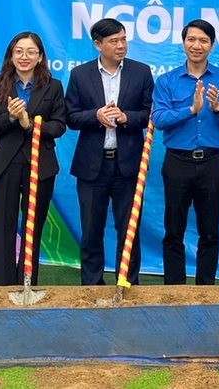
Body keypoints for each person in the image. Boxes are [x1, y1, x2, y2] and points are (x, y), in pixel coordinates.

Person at [151, 19, 219, 285]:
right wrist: (190, 110)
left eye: (203, 40)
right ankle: (175, 290)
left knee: (210, 232)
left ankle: (206, 290)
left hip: (211, 163)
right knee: (173, 230)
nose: (197, 45)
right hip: (177, 162)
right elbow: (159, 118)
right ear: (183, 43)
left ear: (211, 46)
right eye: (191, 39)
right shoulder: (167, 81)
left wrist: (218, 108)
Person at [65, 18, 154, 286]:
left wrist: (126, 117)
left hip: (128, 165)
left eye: (123, 39)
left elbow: (150, 114)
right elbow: (70, 117)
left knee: (129, 230)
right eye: (114, 41)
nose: (121, 45)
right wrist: (95, 115)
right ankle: (92, 286)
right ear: (98, 44)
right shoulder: (80, 74)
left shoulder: (141, 72)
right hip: (92, 165)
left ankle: (127, 284)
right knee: (91, 229)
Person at [0, 32, 66, 286]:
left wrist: (30, 125)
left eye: (31, 52)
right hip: (3, 164)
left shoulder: (53, 86)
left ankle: (27, 284)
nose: (24, 56)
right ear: (10, 56)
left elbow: (59, 126)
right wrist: (10, 118)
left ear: (40, 57)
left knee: (32, 228)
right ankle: (1, 286)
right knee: (3, 228)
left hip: (40, 164)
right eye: (18, 51)